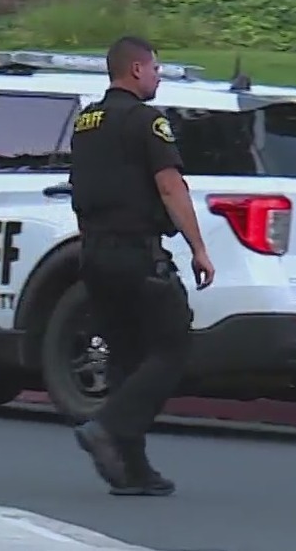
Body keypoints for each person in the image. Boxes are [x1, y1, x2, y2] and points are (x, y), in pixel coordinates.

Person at [67, 35, 216, 497]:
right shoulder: (147, 121)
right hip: (135, 253)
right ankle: (105, 428)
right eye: (155, 68)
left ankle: (134, 470)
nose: (158, 76)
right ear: (135, 70)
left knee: (128, 361)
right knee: (173, 345)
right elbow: (171, 186)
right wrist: (198, 248)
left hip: (92, 253)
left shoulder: (85, 122)